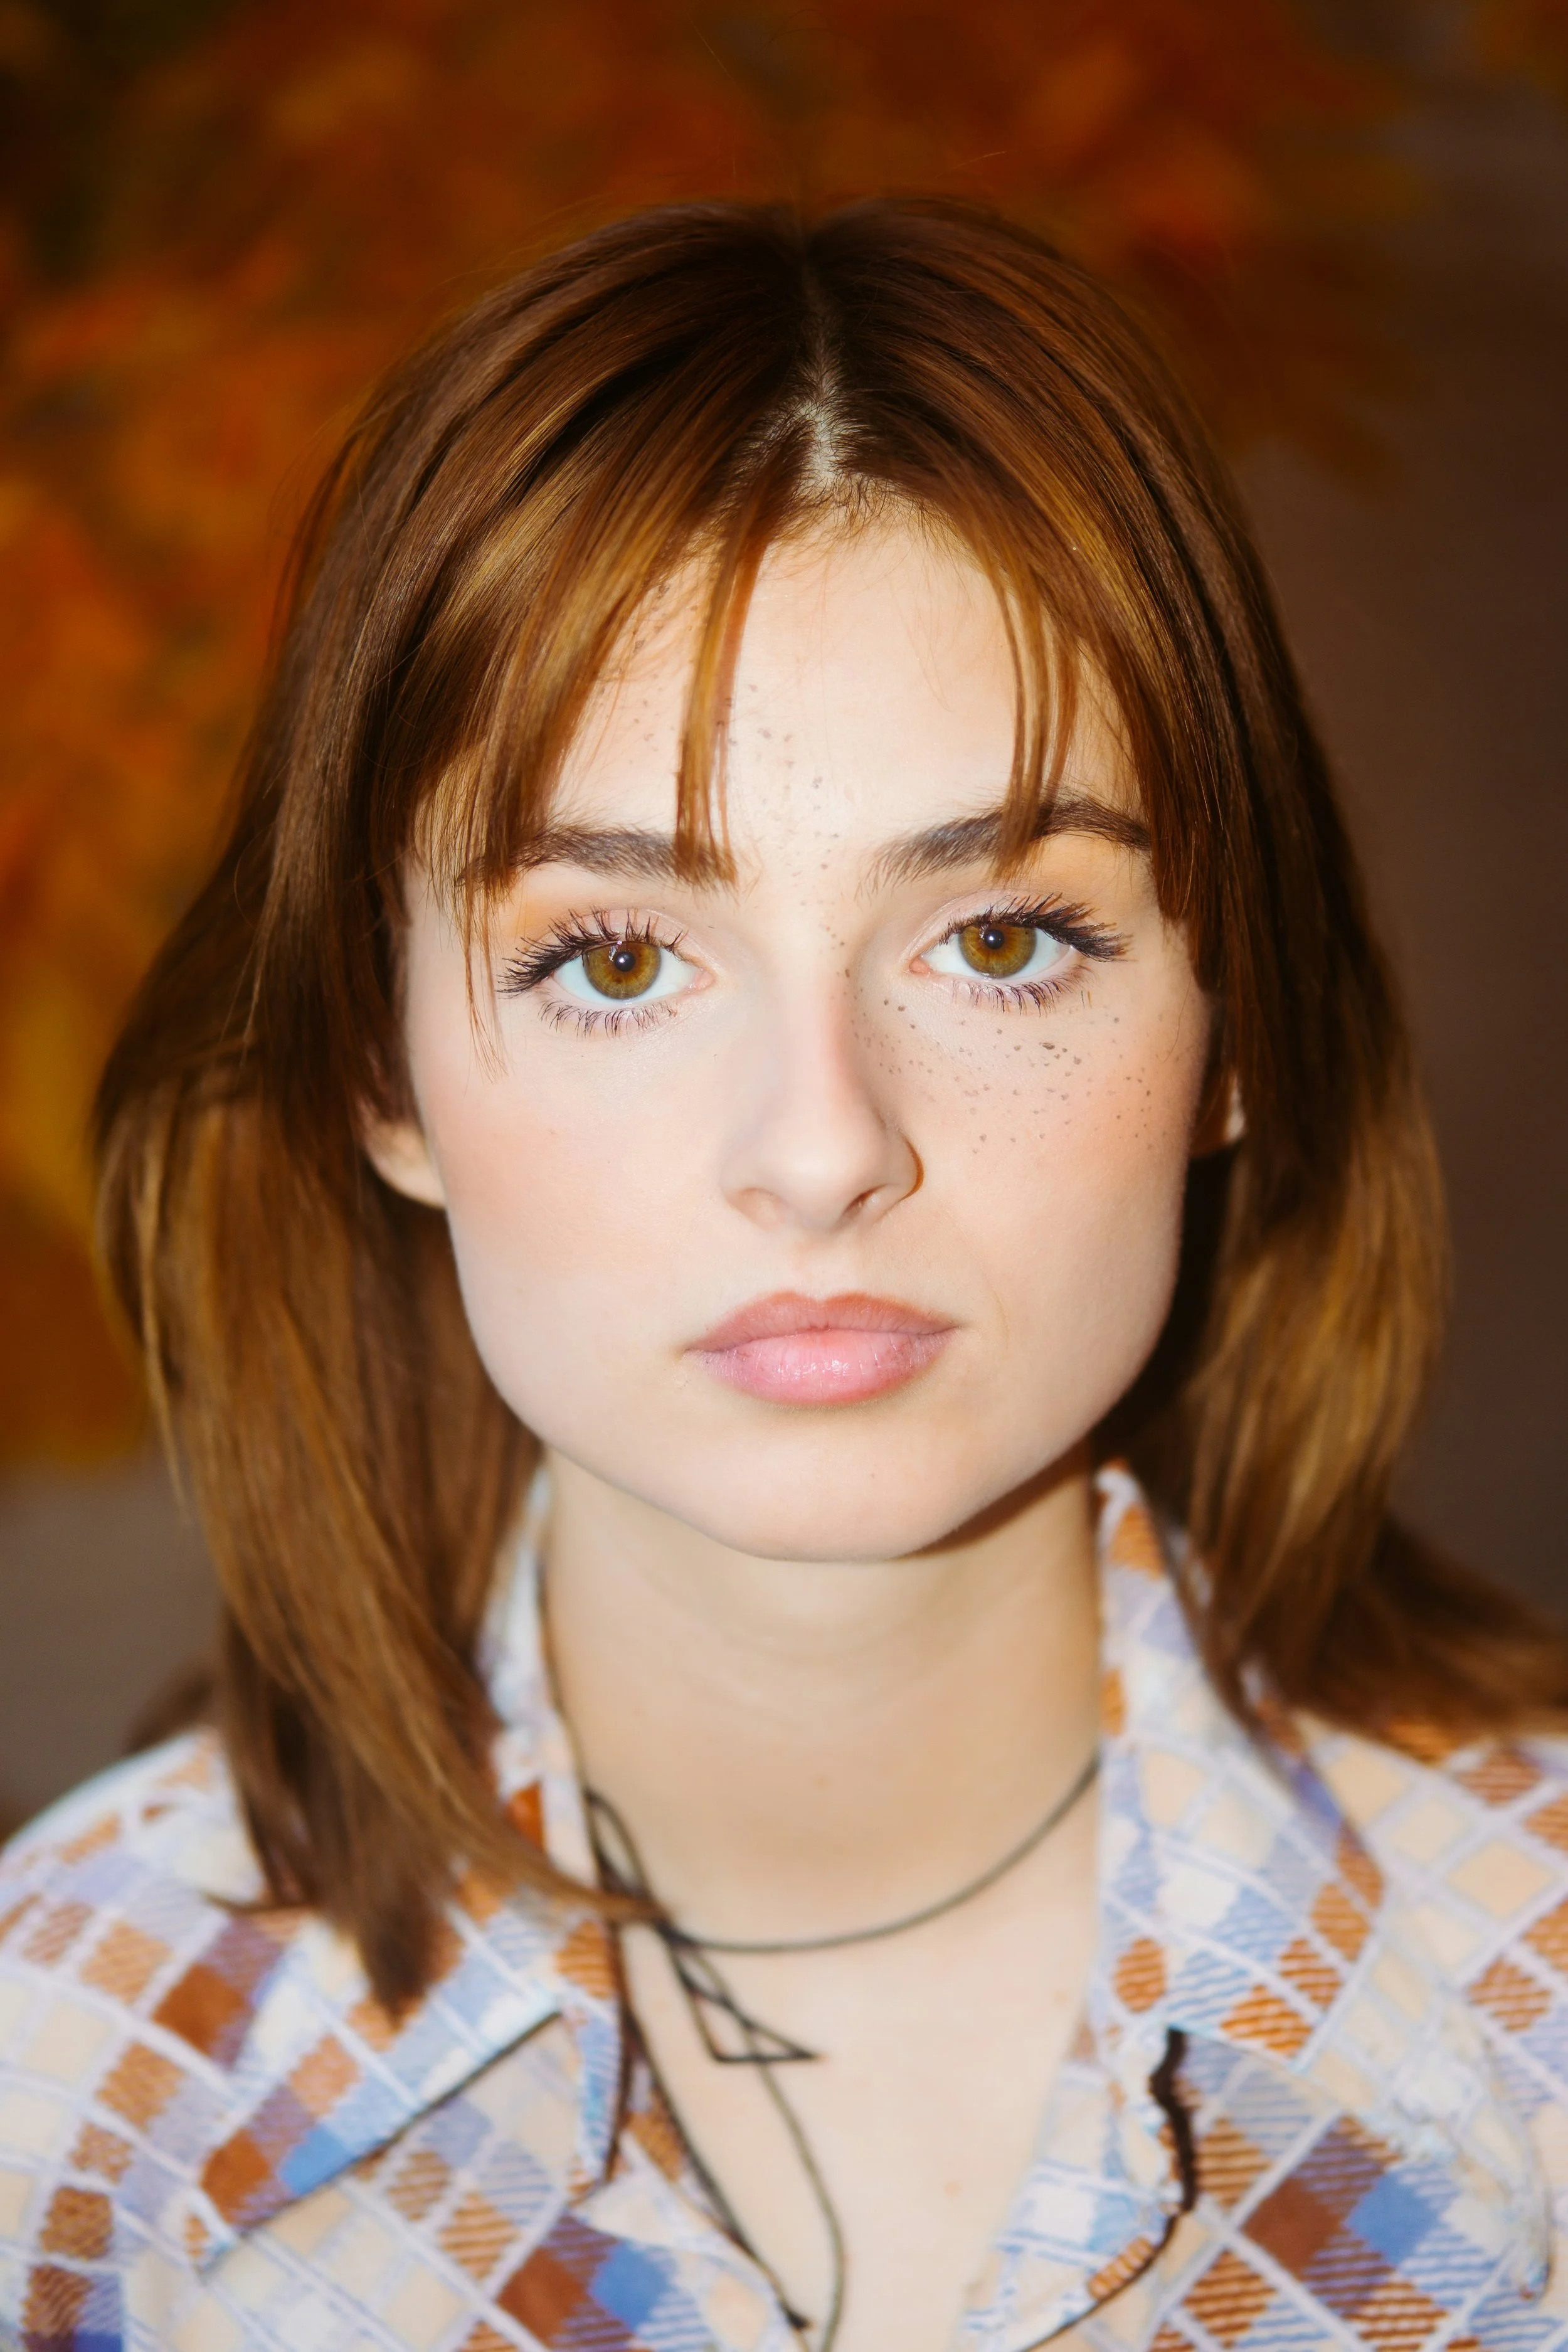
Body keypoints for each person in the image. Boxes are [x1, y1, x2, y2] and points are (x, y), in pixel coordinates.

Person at [1, 198, 1565, 2352]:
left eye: (1005, 938)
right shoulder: (67, 2093)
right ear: (382, 1070)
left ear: (1235, 1031)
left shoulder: (1533, 1992)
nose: (823, 1145)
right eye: (618, 957)